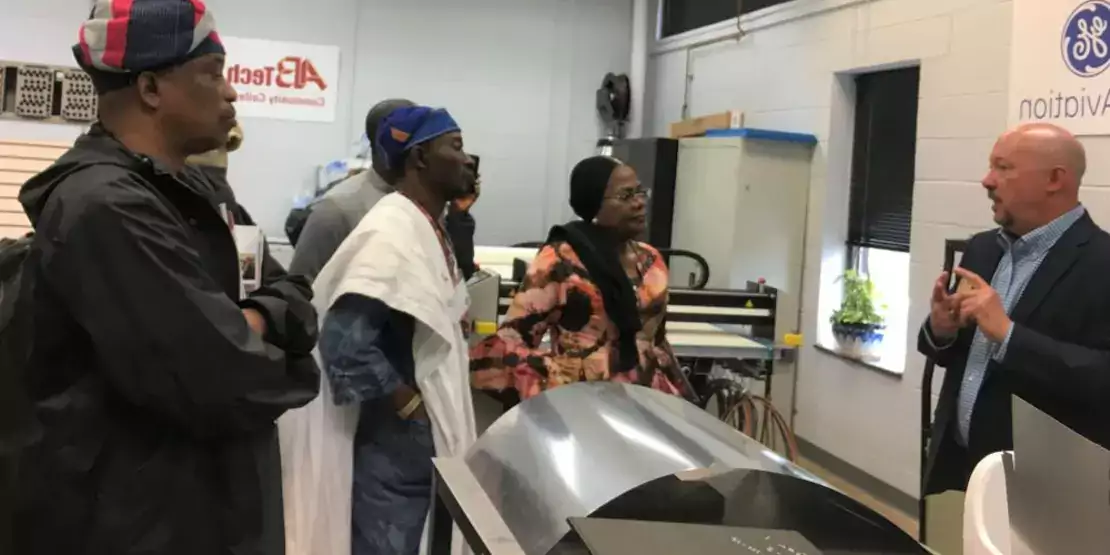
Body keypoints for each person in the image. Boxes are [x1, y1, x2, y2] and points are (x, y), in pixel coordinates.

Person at [12, 2, 321, 554]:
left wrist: (250, 322)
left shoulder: (202, 194)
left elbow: (295, 295)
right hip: (138, 525)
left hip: (216, 508)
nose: (230, 93)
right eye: (213, 73)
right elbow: (221, 379)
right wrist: (271, 346)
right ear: (151, 87)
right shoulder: (103, 208)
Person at [280, 105, 477, 555]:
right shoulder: (390, 231)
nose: (468, 160)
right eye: (457, 147)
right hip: (394, 449)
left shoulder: (426, 225)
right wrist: (410, 408)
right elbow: (344, 346)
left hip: (414, 444)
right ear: (420, 158)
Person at [919, 122, 1110, 495]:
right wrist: (942, 329)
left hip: (1047, 491)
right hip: (963, 468)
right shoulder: (981, 249)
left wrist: (1009, 335)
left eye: (1004, 168)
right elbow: (954, 356)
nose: (987, 181)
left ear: (1055, 179)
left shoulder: (1102, 263)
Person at [470, 155, 695, 403]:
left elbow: (657, 340)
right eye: (626, 196)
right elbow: (509, 343)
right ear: (593, 203)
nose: (639, 203)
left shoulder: (652, 262)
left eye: (640, 192)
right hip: (586, 406)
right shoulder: (560, 261)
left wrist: (686, 399)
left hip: (644, 403)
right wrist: (564, 377)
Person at [289, 99, 479, 282]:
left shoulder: (427, 205)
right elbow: (300, 293)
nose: (467, 159)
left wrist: (458, 217)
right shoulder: (337, 209)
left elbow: (454, 277)